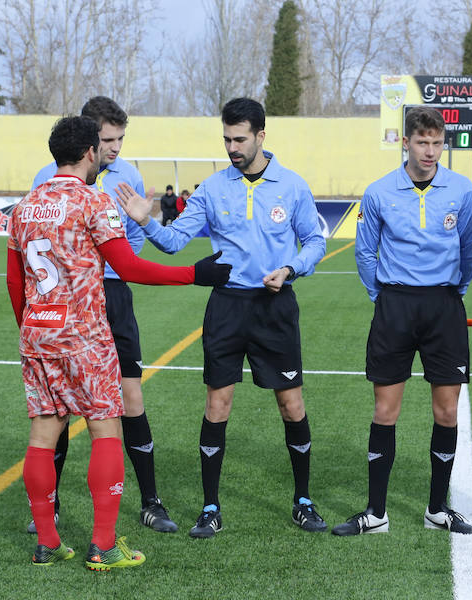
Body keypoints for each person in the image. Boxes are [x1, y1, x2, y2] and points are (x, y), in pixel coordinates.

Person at [8, 116, 230, 568]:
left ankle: (48, 542)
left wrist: (31, 329)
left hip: (38, 333)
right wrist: (194, 274)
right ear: (90, 153)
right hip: (84, 336)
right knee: (105, 428)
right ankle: (104, 545)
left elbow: (15, 281)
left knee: (42, 434)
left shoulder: (25, 205)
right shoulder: (94, 202)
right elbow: (128, 268)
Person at [117, 97, 327, 538]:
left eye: (240, 138)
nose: (232, 147)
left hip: (275, 308)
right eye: (227, 139)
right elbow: (175, 243)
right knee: (218, 404)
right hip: (227, 308)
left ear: (261, 136)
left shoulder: (291, 186)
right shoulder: (213, 189)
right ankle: (210, 508)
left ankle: (302, 501)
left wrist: (292, 268)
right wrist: (147, 221)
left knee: (292, 405)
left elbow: (313, 240)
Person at [30, 96, 179, 535]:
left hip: (112, 294)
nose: (114, 148)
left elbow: (133, 244)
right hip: (66, 302)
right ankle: (52, 510)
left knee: (130, 398)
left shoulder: (128, 176)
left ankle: (151, 501)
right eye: (107, 140)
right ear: (88, 141)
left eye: (120, 139)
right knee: (60, 409)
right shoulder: (47, 177)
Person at [332, 105, 472, 537]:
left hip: (444, 307)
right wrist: (383, 296)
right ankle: (376, 512)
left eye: (437, 143)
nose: (431, 151)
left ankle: (437, 509)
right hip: (394, 306)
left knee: (447, 411)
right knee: (385, 410)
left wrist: (454, 294)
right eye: (422, 142)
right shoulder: (379, 192)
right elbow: (364, 251)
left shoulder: (462, 190)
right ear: (406, 143)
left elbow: (469, 248)